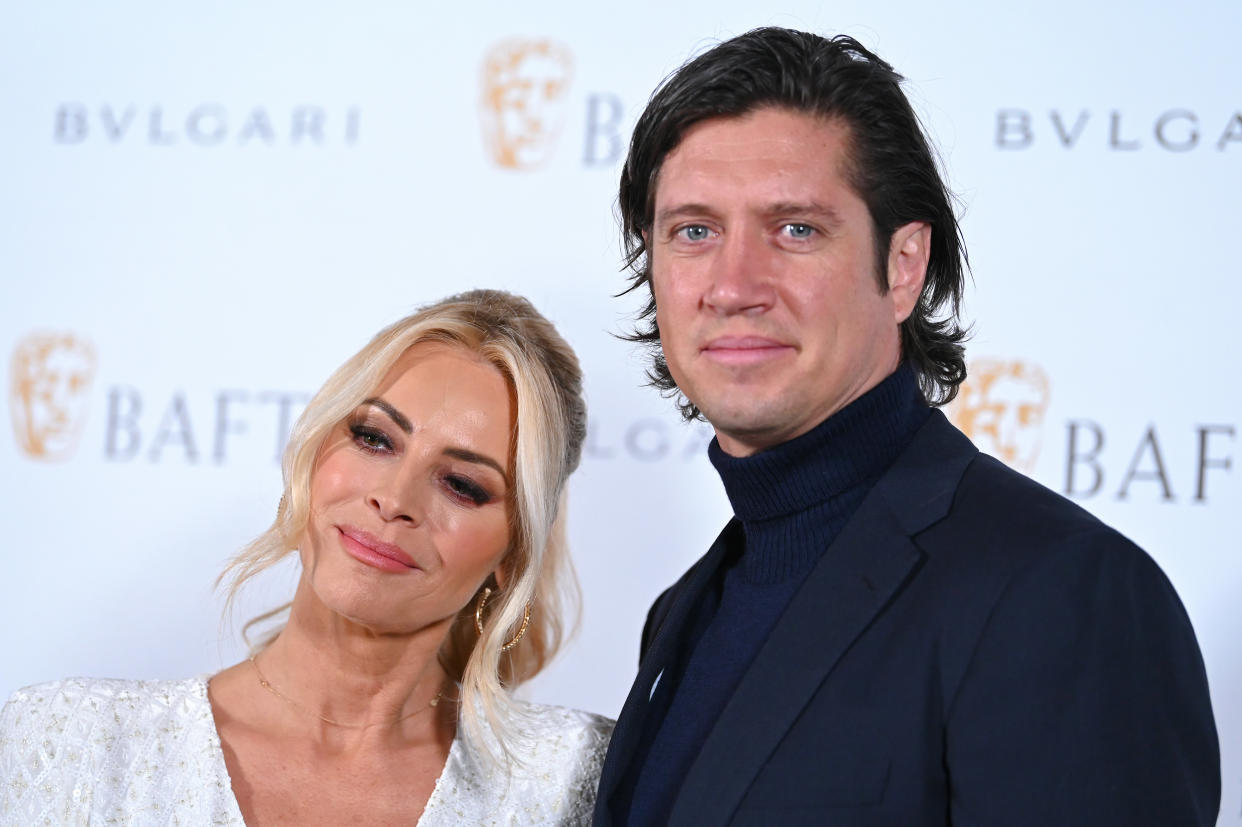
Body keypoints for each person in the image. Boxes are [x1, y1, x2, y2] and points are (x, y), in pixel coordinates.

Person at [595, 27, 1219, 826]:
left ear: (902, 266)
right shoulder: (682, 613)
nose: (733, 285)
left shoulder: (1063, 595)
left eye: (796, 229)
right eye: (694, 231)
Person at [1, 289, 612, 825]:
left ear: (515, 551)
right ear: (313, 452)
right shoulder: (71, 742)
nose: (393, 499)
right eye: (374, 438)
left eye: (461, 484)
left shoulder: (578, 781)